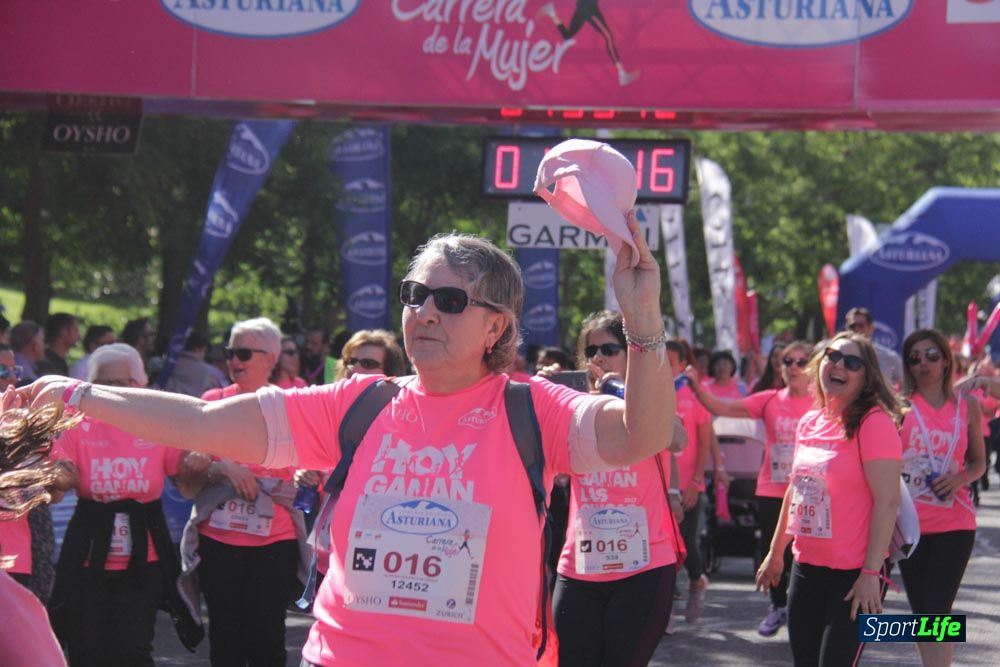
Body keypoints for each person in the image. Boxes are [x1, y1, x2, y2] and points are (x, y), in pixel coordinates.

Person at [18, 219, 676, 666]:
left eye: (449, 300)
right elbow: (199, 421)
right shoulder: (358, 403)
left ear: (495, 325)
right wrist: (79, 395)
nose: (423, 311)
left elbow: (640, 435)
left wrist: (643, 324)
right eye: (414, 294)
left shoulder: (532, 408)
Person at [48, 343, 207, 667]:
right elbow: (58, 475)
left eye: (121, 384)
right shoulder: (76, 423)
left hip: (144, 558)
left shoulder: (156, 423)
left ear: (139, 385)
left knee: (132, 649)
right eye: (103, 384)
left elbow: (185, 469)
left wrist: (203, 461)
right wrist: (56, 474)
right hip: (89, 553)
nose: (112, 393)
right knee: (86, 649)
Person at [755, 332, 902, 667]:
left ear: (867, 378)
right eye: (833, 356)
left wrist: (870, 573)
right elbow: (796, 488)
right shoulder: (809, 421)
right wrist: (776, 552)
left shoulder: (873, 423)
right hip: (805, 567)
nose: (839, 365)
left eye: (853, 362)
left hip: (853, 576)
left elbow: (887, 503)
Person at [551, 310, 686, 667]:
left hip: (643, 567)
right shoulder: (573, 405)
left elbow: (678, 438)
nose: (598, 357)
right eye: (591, 350)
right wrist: (547, 390)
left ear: (630, 355)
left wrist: (623, 392)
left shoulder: (650, 400)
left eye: (609, 349)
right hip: (579, 566)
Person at [184, 317, 308, 667]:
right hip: (219, 541)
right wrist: (219, 467)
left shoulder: (290, 404)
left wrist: (305, 474)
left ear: (270, 358)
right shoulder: (212, 401)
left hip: (273, 543)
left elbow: (312, 462)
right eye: (229, 353)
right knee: (225, 636)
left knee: (267, 635)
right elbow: (185, 465)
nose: (234, 361)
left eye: (243, 353)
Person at [688, 340, 815, 637]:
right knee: (775, 551)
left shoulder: (822, 403)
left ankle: (803, 610)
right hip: (773, 489)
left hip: (811, 492)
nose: (794, 367)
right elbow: (721, 407)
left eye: (801, 361)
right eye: (788, 362)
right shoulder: (769, 400)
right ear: (780, 368)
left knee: (806, 553)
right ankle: (778, 605)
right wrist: (696, 386)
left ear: (813, 367)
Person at [897, 329, 984, 667]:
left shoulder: (968, 405)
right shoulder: (898, 406)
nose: (924, 363)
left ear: (947, 361)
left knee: (936, 607)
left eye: (932, 355)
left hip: (955, 522)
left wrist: (960, 478)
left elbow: (978, 461)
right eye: (915, 357)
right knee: (923, 614)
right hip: (909, 525)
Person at [0, 393, 79, 667]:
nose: (8, 381)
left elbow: (66, 478)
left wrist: (29, 472)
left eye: (12, 371)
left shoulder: (15, 422)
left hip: (16, 566)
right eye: (1, 369)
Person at [665, 338, 713, 623]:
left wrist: (696, 481)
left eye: (671, 363)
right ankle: (666, 604)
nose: (665, 368)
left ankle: (697, 581)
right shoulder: (649, 392)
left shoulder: (695, 396)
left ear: (683, 365)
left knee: (686, 542)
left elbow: (706, 440)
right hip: (659, 485)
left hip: (688, 486)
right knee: (663, 546)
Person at [537, 0, 640, 86]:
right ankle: (622, 74)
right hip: (588, 7)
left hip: (585, 6)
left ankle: (552, 13)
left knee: (567, 35)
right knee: (608, 37)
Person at [844, 307, 904, 389]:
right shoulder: (839, 357)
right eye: (852, 326)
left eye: (861, 326)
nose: (856, 329)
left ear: (871, 328)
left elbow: (903, 388)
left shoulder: (890, 358)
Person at [163, 331, 225, 397]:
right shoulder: (211, 372)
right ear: (198, 349)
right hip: (198, 404)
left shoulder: (166, 365)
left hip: (171, 403)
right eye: (204, 351)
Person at [335, 329, 406, 380]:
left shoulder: (402, 400)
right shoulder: (328, 399)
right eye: (351, 362)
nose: (355, 369)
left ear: (390, 372)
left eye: (368, 364)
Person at [9, 320, 44, 385]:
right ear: (35, 344)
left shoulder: (11, 361)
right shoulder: (26, 377)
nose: (44, 345)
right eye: (42, 340)